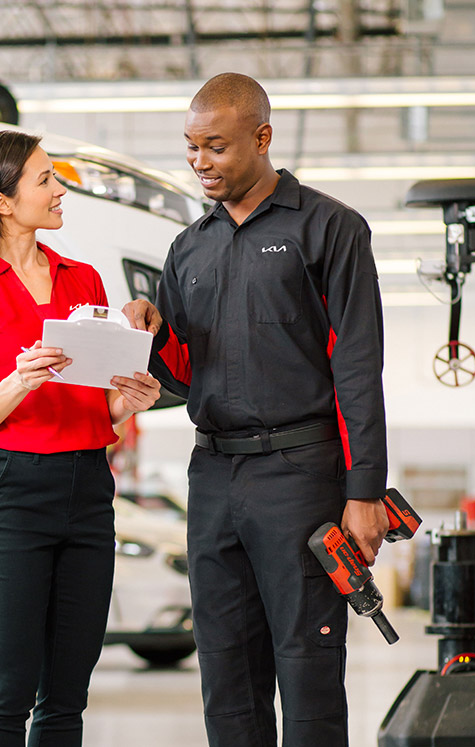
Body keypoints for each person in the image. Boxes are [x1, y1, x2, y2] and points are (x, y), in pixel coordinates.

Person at [122, 73, 389, 747]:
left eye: (215, 146)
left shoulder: (331, 229)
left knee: (308, 663)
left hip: (301, 474)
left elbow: (357, 368)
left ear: (262, 137)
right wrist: (152, 335)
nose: (200, 162)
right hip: (212, 477)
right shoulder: (189, 248)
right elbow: (184, 371)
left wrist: (363, 495)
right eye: (190, 147)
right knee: (226, 667)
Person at [0, 130, 161, 747]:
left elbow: (94, 408)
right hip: (10, 493)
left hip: (87, 489)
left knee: (66, 698)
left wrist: (125, 403)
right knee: (8, 694)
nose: (60, 190)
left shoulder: (83, 280)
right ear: (2, 202)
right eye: (45, 180)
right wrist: (17, 383)